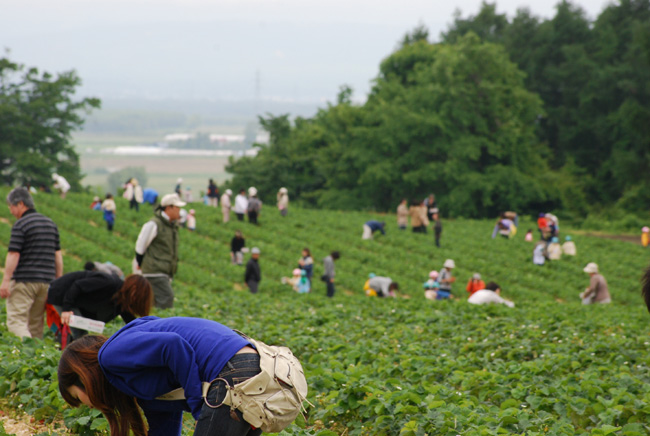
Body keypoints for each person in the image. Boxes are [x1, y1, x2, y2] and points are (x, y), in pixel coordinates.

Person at [57, 316, 306, 436]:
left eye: (77, 398)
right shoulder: (139, 385)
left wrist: (200, 408)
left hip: (232, 373)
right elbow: (164, 428)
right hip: (253, 368)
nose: (86, 405)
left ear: (82, 376)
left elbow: (173, 346)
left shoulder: (110, 356)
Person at [1, 187, 63, 338]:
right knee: (35, 324)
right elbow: (58, 256)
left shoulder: (21, 224)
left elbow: (14, 253)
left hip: (24, 281)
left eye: (11, 206)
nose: (11, 211)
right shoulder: (50, 224)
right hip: (46, 283)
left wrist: (6, 280)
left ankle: (25, 351)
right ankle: (34, 356)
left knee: (17, 321)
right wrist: (57, 282)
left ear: (21, 204)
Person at [47, 273, 152, 340]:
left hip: (74, 301)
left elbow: (130, 320)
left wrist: (146, 330)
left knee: (81, 334)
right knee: (80, 333)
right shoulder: (108, 283)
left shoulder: (121, 300)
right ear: (133, 290)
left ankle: (72, 354)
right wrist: (66, 309)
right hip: (61, 294)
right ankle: (74, 359)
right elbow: (77, 285)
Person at [134, 193, 185, 309]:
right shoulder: (154, 224)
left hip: (163, 270)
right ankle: (162, 325)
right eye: (177, 208)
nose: (179, 211)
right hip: (154, 270)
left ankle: (152, 323)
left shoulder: (171, 226)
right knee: (167, 297)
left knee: (154, 302)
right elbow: (140, 245)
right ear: (168, 208)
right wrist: (140, 263)